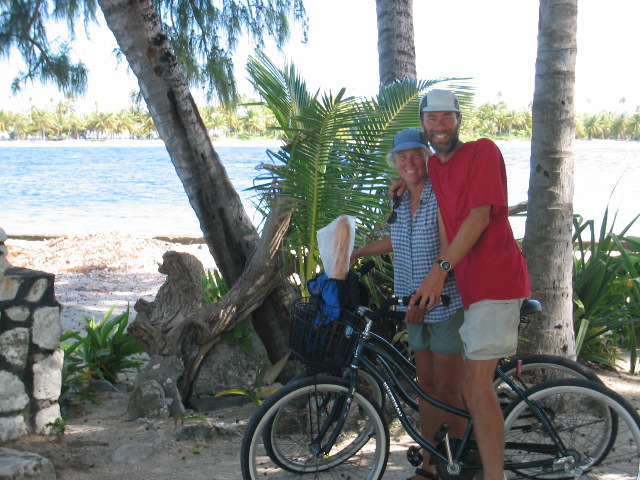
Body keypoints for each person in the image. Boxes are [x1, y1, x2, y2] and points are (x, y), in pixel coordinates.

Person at [396, 89, 531, 480]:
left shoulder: (483, 151)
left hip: (496, 282)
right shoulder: (435, 168)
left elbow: (478, 216)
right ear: (423, 124)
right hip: (469, 291)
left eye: (446, 118)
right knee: (464, 386)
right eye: (431, 119)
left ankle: (493, 476)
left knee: (473, 386)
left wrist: (440, 269)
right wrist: (401, 181)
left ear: (459, 120)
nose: (439, 126)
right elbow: (429, 191)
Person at [351, 128, 465, 480]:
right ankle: (430, 465)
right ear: (395, 162)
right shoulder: (398, 197)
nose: (410, 162)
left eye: (416, 154)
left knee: (448, 389)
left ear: (428, 156)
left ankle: (461, 462)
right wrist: (356, 252)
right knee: (426, 386)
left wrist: (427, 294)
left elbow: (451, 248)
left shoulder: (440, 192)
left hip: (444, 302)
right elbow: (397, 239)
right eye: (402, 157)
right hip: (410, 304)